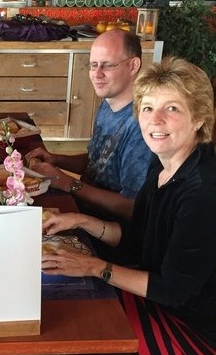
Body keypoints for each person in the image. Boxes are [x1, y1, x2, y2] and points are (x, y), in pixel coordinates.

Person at [0, 57, 216, 355]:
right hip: (166, 306)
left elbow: (174, 290)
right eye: (148, 108)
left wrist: (95, 268)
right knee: (73, 287)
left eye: (172, 108)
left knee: (79, 310)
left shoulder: (201, 191)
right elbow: (139, 241)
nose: (155, 120)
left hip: (193, 337)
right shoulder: (165, 168)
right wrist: (83, 222)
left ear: (199, 118)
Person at [26, 29, 151, 222]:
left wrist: (68, 183)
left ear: (133, 65)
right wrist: (56, 159)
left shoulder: (141, 126)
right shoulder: (109, 103)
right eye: (93, 65)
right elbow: (97, 162)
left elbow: (132, 207)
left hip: (106, 227)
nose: (97, 74)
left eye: (107, 65)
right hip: (81, 208)